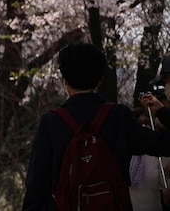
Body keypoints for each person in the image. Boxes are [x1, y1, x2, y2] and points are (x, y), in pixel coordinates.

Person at [22, 43, 170, 211]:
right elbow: (165, 144)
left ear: (65, 80)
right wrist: (162, 112)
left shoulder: (52, 122)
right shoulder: (118, 116)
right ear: (100, 79)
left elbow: (36, 187)